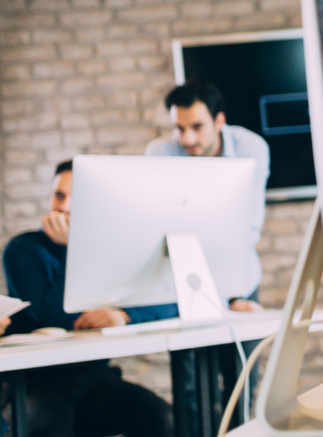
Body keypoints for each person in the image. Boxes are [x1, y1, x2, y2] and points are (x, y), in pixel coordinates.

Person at [2, 160, 175, 437]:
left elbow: (167, 303)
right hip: (37, 381)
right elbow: (55, 316)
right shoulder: (23, 249)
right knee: (45, 427)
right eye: (58, 195)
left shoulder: (108, 250)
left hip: (94, 378)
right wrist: (75, 248)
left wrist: (124, 315)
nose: (64, 206)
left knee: (164, 419)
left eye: (76, 197)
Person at [145, 80, 268, 311]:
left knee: (249, 346)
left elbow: (249, 226)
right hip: (181, 282)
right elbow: (159, 225)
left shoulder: (250, 148)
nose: (187, 139)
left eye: (197, 127)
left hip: (238, 280)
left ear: (219, 121)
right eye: (179, 128)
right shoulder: (161, 153)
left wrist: (228, 297)